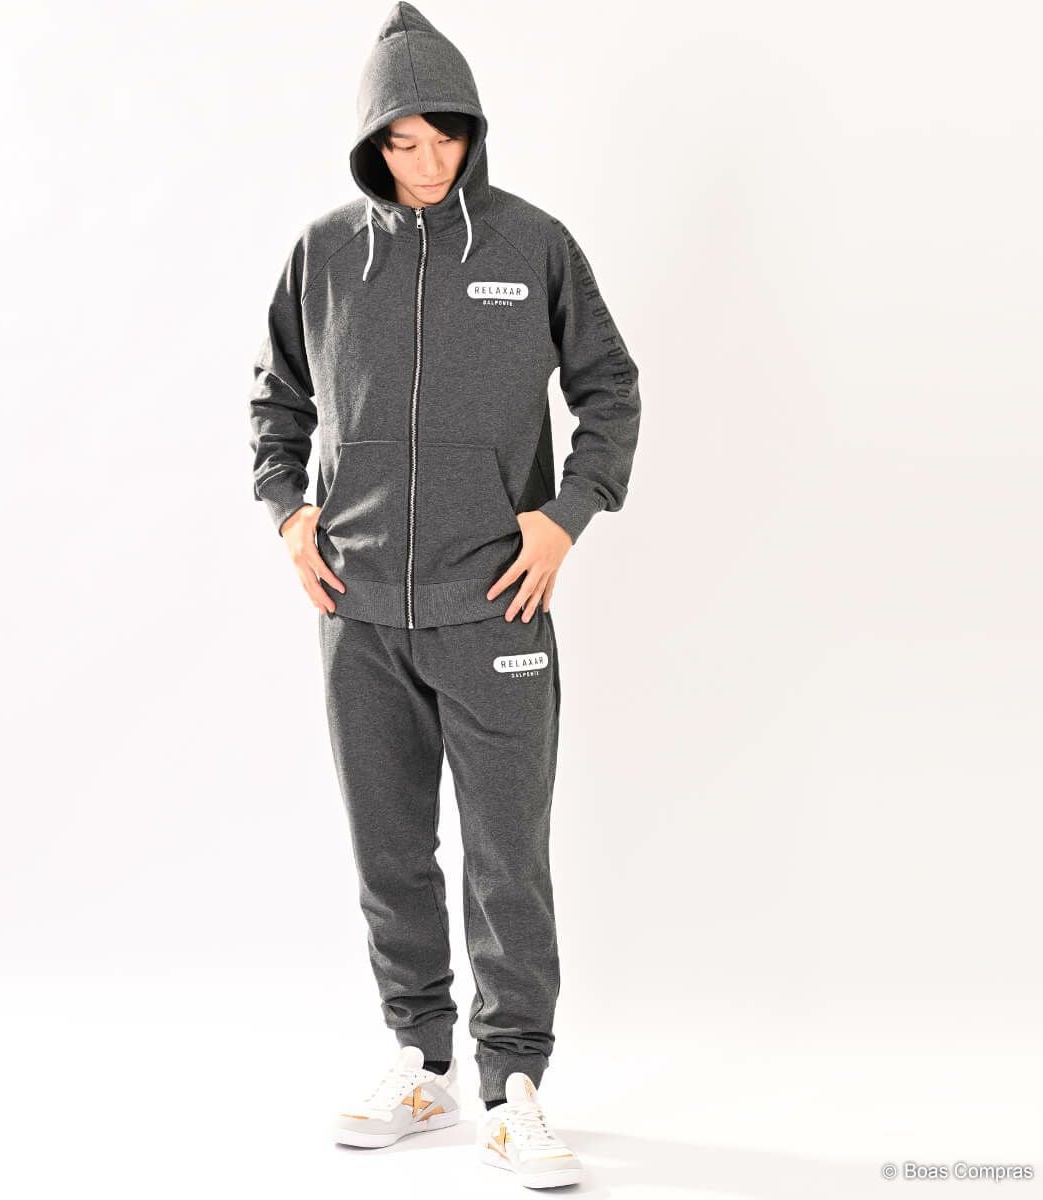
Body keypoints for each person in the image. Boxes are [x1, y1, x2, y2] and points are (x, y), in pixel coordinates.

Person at [248, 2, 641, 1186]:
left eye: (445, 137)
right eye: (403, 142)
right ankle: (420, 1062)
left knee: (506, 855)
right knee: (390, 849)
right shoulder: (324, 252)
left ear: (474, 132)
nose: (427, 162)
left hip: (497, 607)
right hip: (358, 611)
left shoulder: (533, 245)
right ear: (372, 144)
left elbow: (610, 389)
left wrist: (565, 516)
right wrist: (289, 512)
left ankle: (514, 1085)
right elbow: (277, 399)